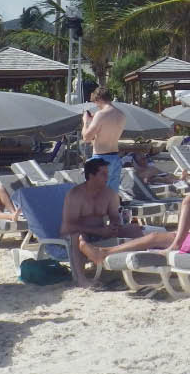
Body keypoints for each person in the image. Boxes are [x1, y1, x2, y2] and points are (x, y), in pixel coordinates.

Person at [60, 156, 144, 284]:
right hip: (78, 234)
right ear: (91, 176)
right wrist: (100, 231)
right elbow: (69, 226)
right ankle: (81, 278)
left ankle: (141, 265)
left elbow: (115, 217)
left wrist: (114, 226)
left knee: (134, 229)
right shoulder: (75, 195)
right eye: (103, 174)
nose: (107, 177)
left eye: (107, 174)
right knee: (77, 236)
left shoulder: (109, 194)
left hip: (101, 233)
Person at [81, 86, 126, 193]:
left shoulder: (100, 114)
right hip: (115, 158)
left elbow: (86, 138)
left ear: (99, 99)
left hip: (100, 159)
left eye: (95, 102)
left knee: (96, 196)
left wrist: (85, 122)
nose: (96, 105)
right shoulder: (122, 115)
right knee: (111, 195)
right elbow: (106, 132)